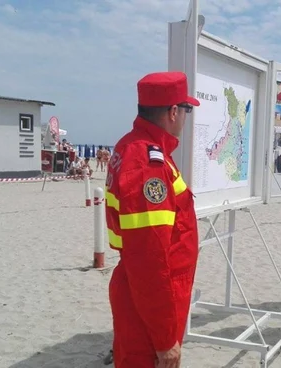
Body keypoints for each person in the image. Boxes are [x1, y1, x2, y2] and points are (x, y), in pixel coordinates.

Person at [105, 71, 200, 367]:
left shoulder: (133, 146)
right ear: (173, 112)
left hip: (145, 294)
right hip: (152, 298)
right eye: (186, 110)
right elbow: (148, 258)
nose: (186, 118)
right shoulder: (148, 163)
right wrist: (164, 339)